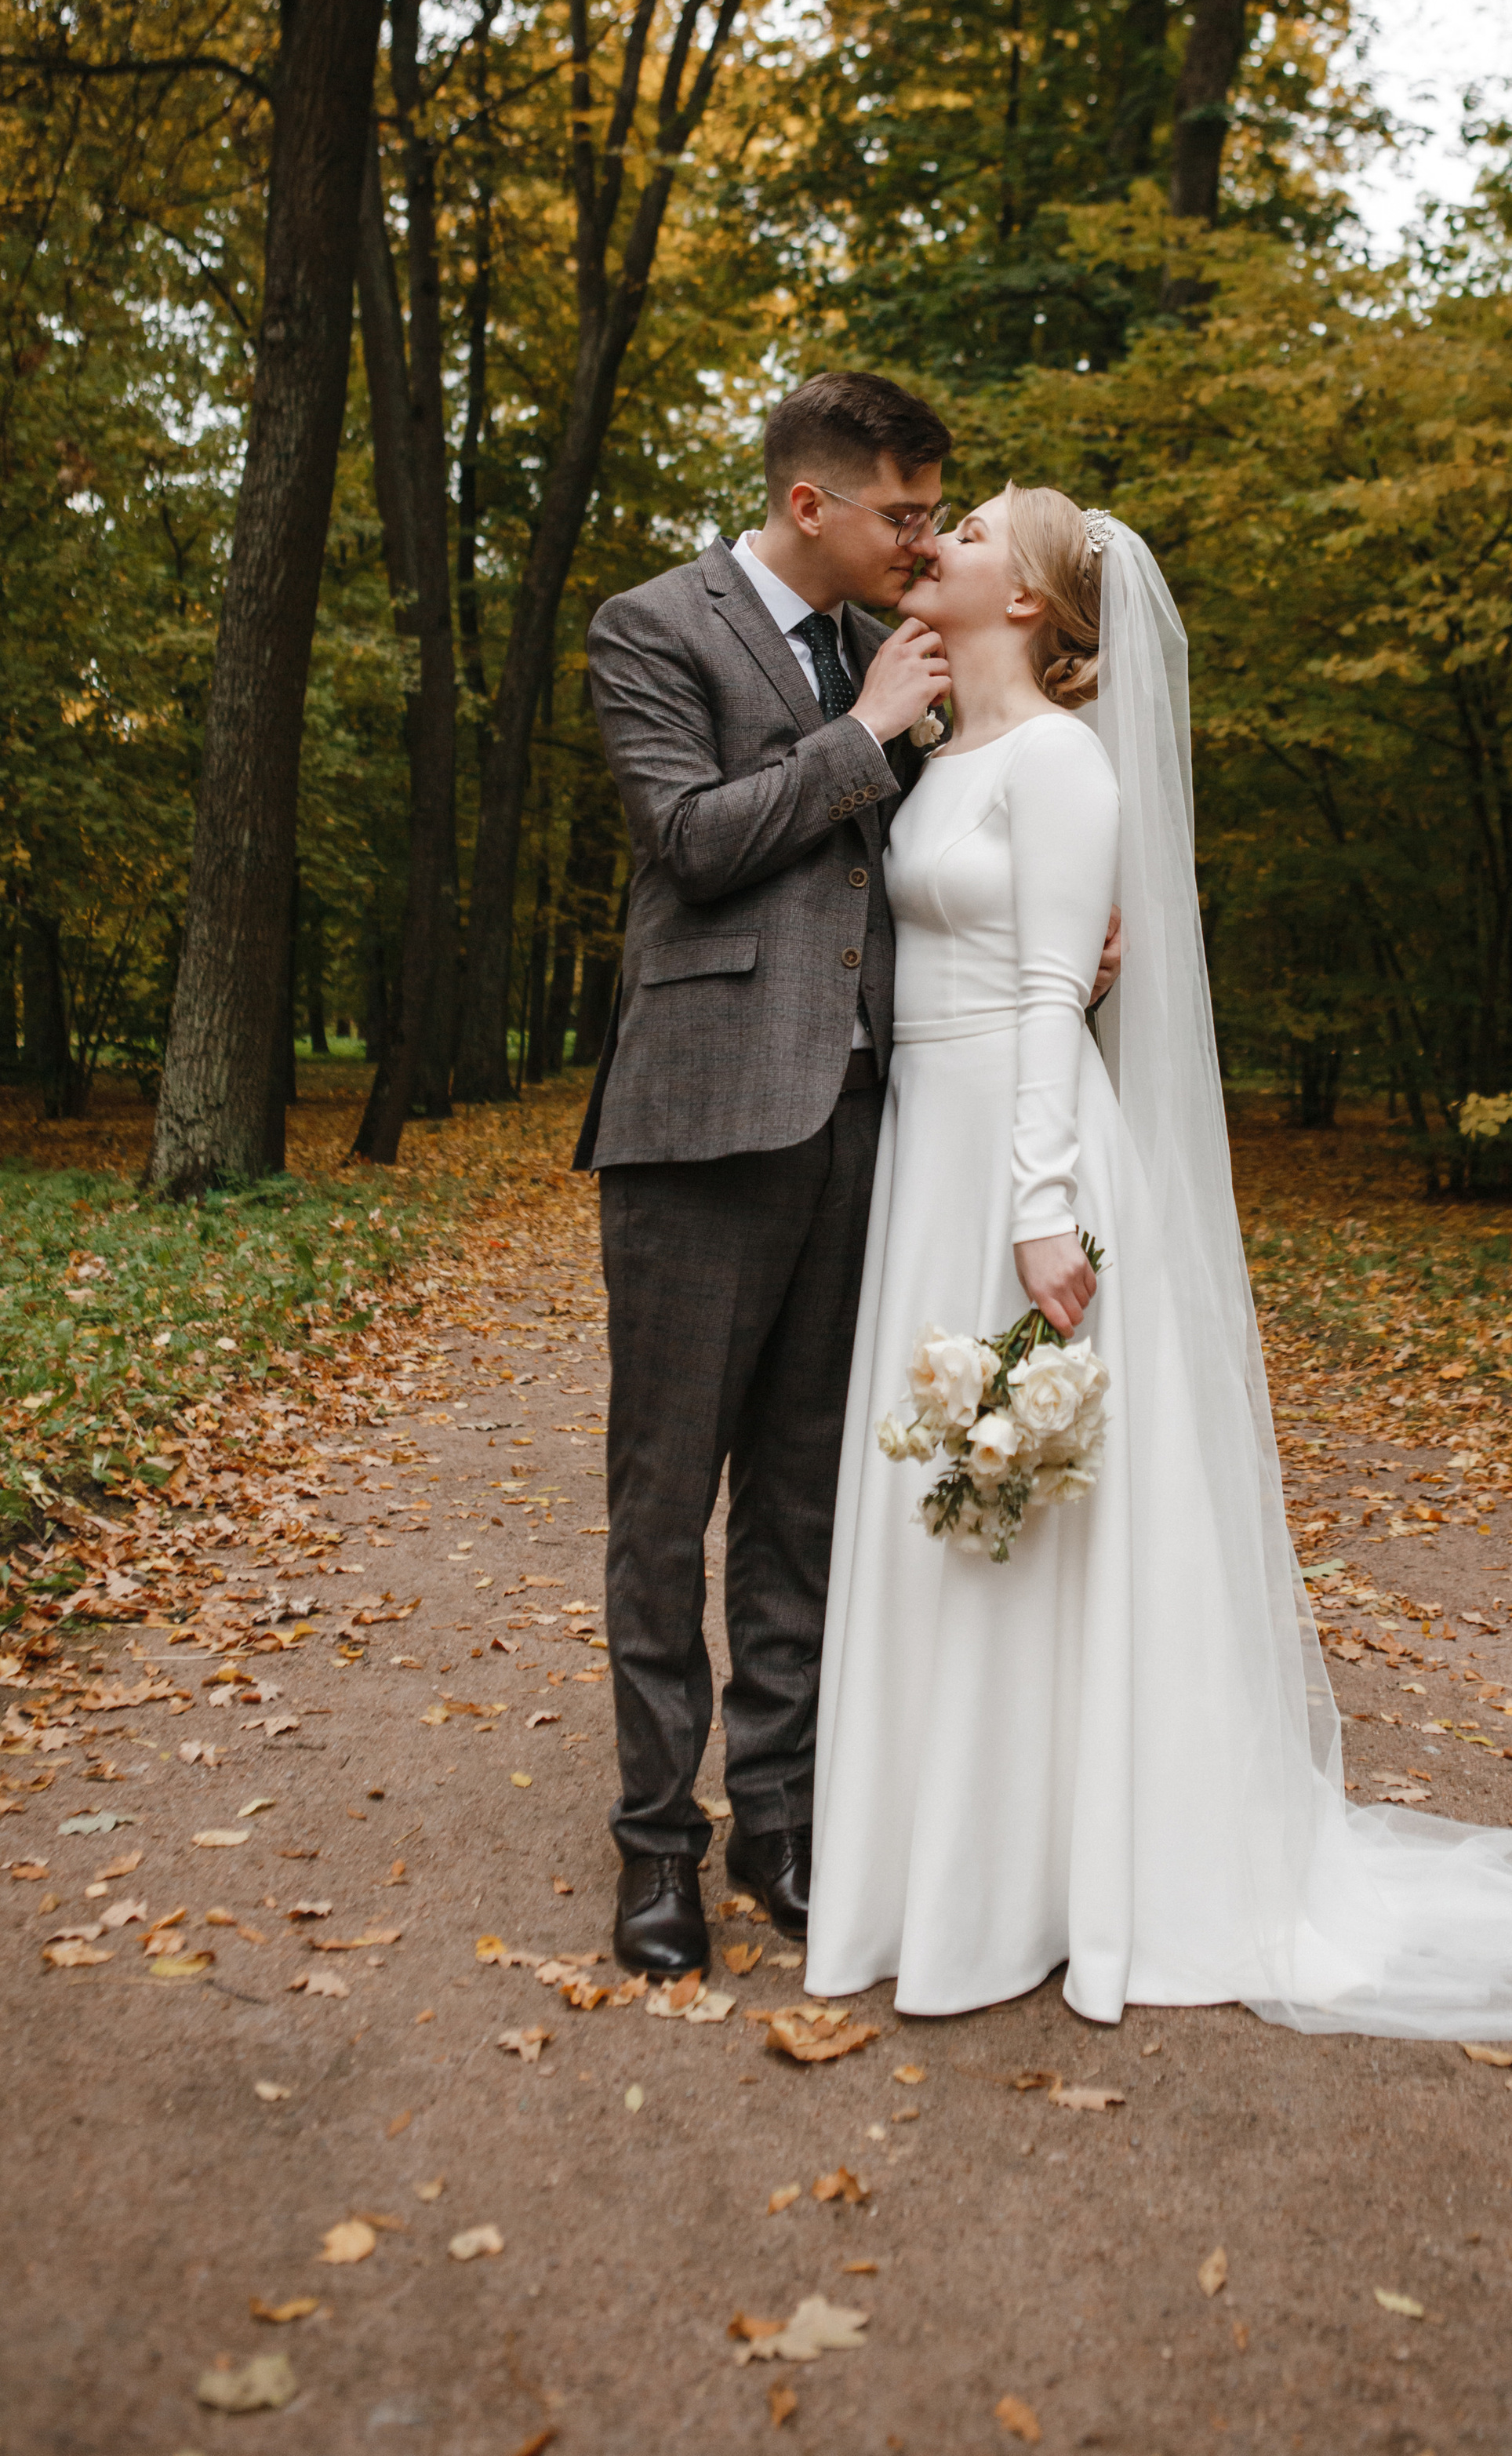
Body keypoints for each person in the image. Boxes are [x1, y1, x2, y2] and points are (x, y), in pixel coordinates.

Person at [807, 487, 1512, 2036]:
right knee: (947, 1501)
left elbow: (1042, 997)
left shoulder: (1064, 763)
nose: (940, 537)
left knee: (1030, 1515)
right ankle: (943, 1867)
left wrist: (1040, 1207)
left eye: (978, 529)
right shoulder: (932, 755)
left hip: (1017, 1162)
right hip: (924, 1156)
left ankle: (1048, 1886)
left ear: (1029, 600)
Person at [574, 370, 956, 1985]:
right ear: (812, 503)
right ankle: (656, 1840)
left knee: (803, 1498)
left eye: (935, 515)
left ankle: (778, 1822)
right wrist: (864, 737)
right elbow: (691, 840)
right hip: (698, 1117)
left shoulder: (894, 651)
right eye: (904, 514)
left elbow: (932, 866)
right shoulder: (654, 626)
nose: (925, 541)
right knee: (666, 1501)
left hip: (867, 1123)